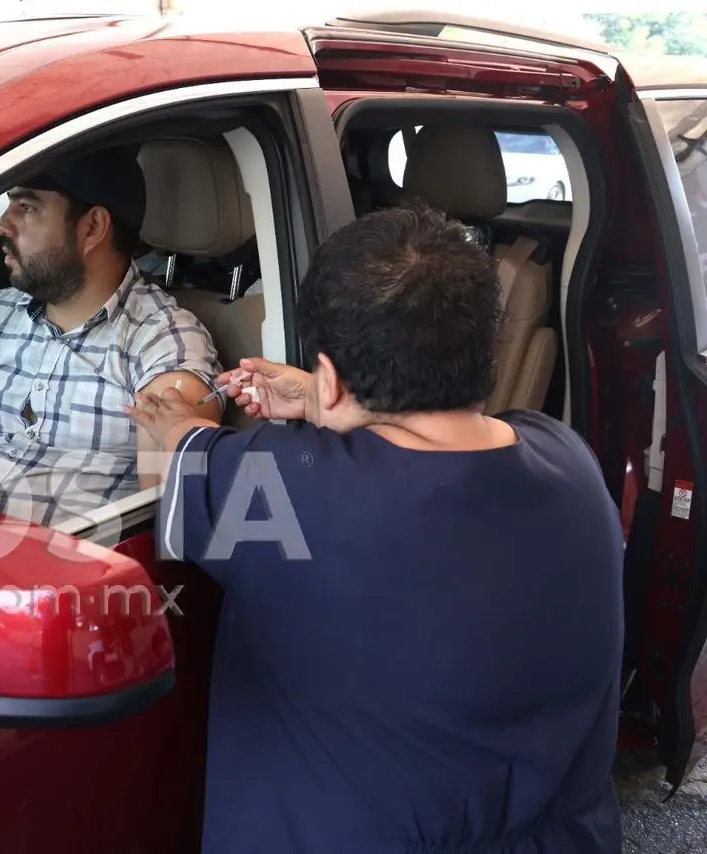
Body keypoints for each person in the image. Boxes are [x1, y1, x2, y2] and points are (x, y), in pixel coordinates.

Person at [125, 203, 624, 854]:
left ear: (331, 377)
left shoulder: (286, 491)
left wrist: (175, 426)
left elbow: (175, 459)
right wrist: (322, 397)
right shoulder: (570, 465)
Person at [0, 146, 223, 528]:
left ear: (92, 228)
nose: (3, 225)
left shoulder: (163, 341)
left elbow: (168, 512)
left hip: (51, 576)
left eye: (27, 207)